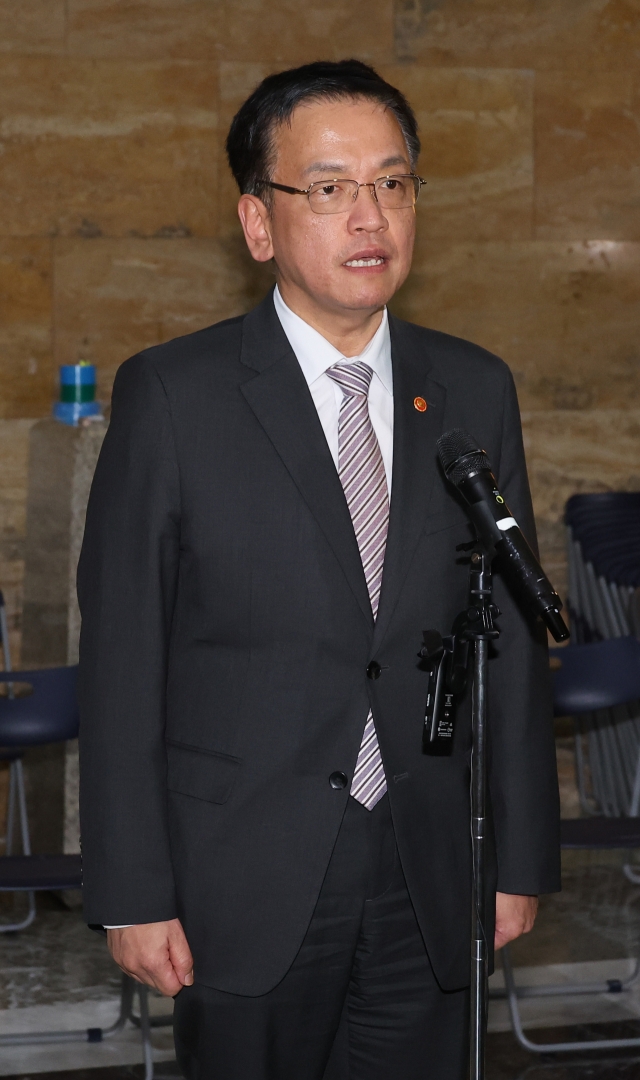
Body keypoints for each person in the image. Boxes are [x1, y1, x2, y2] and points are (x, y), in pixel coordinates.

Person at [78, 59, 560, 1080]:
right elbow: (121, 662)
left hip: (427, 864)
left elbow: (508, 636)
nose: (368, 214)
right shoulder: (174, 396)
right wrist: (132, 888)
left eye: (392, 183)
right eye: (330, 187)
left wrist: (518, 856)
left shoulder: (471, 389)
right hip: (239, 871)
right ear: (258, 223)